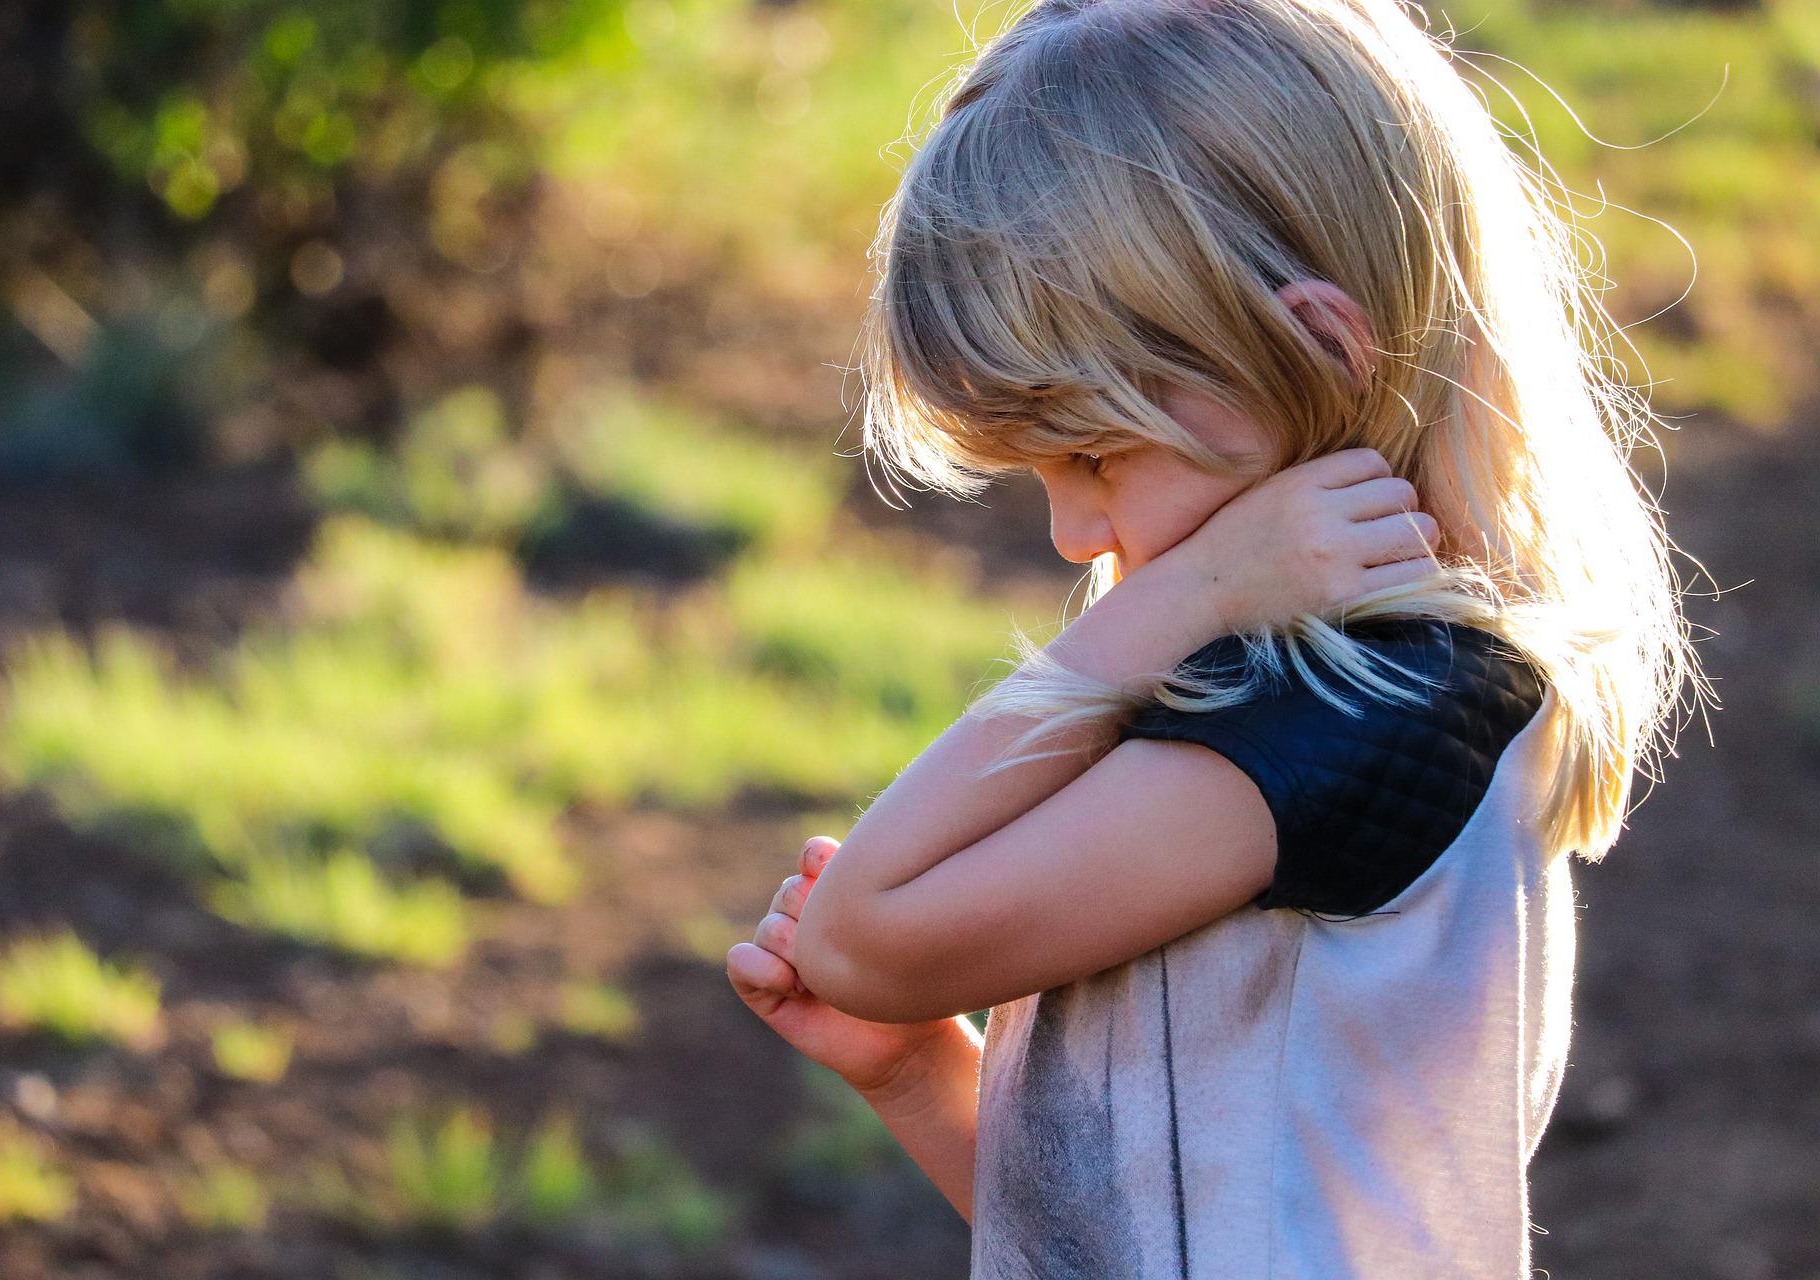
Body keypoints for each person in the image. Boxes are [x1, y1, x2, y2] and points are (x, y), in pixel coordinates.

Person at [726, 0, 1709, 1275]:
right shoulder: (1293, 694)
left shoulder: (1354, 719)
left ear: (1318, 348)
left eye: (1091, 453)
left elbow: (865, 930)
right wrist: (920, 1073)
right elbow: (1134, 1235)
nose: (1077, 534)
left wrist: (1168, 605)